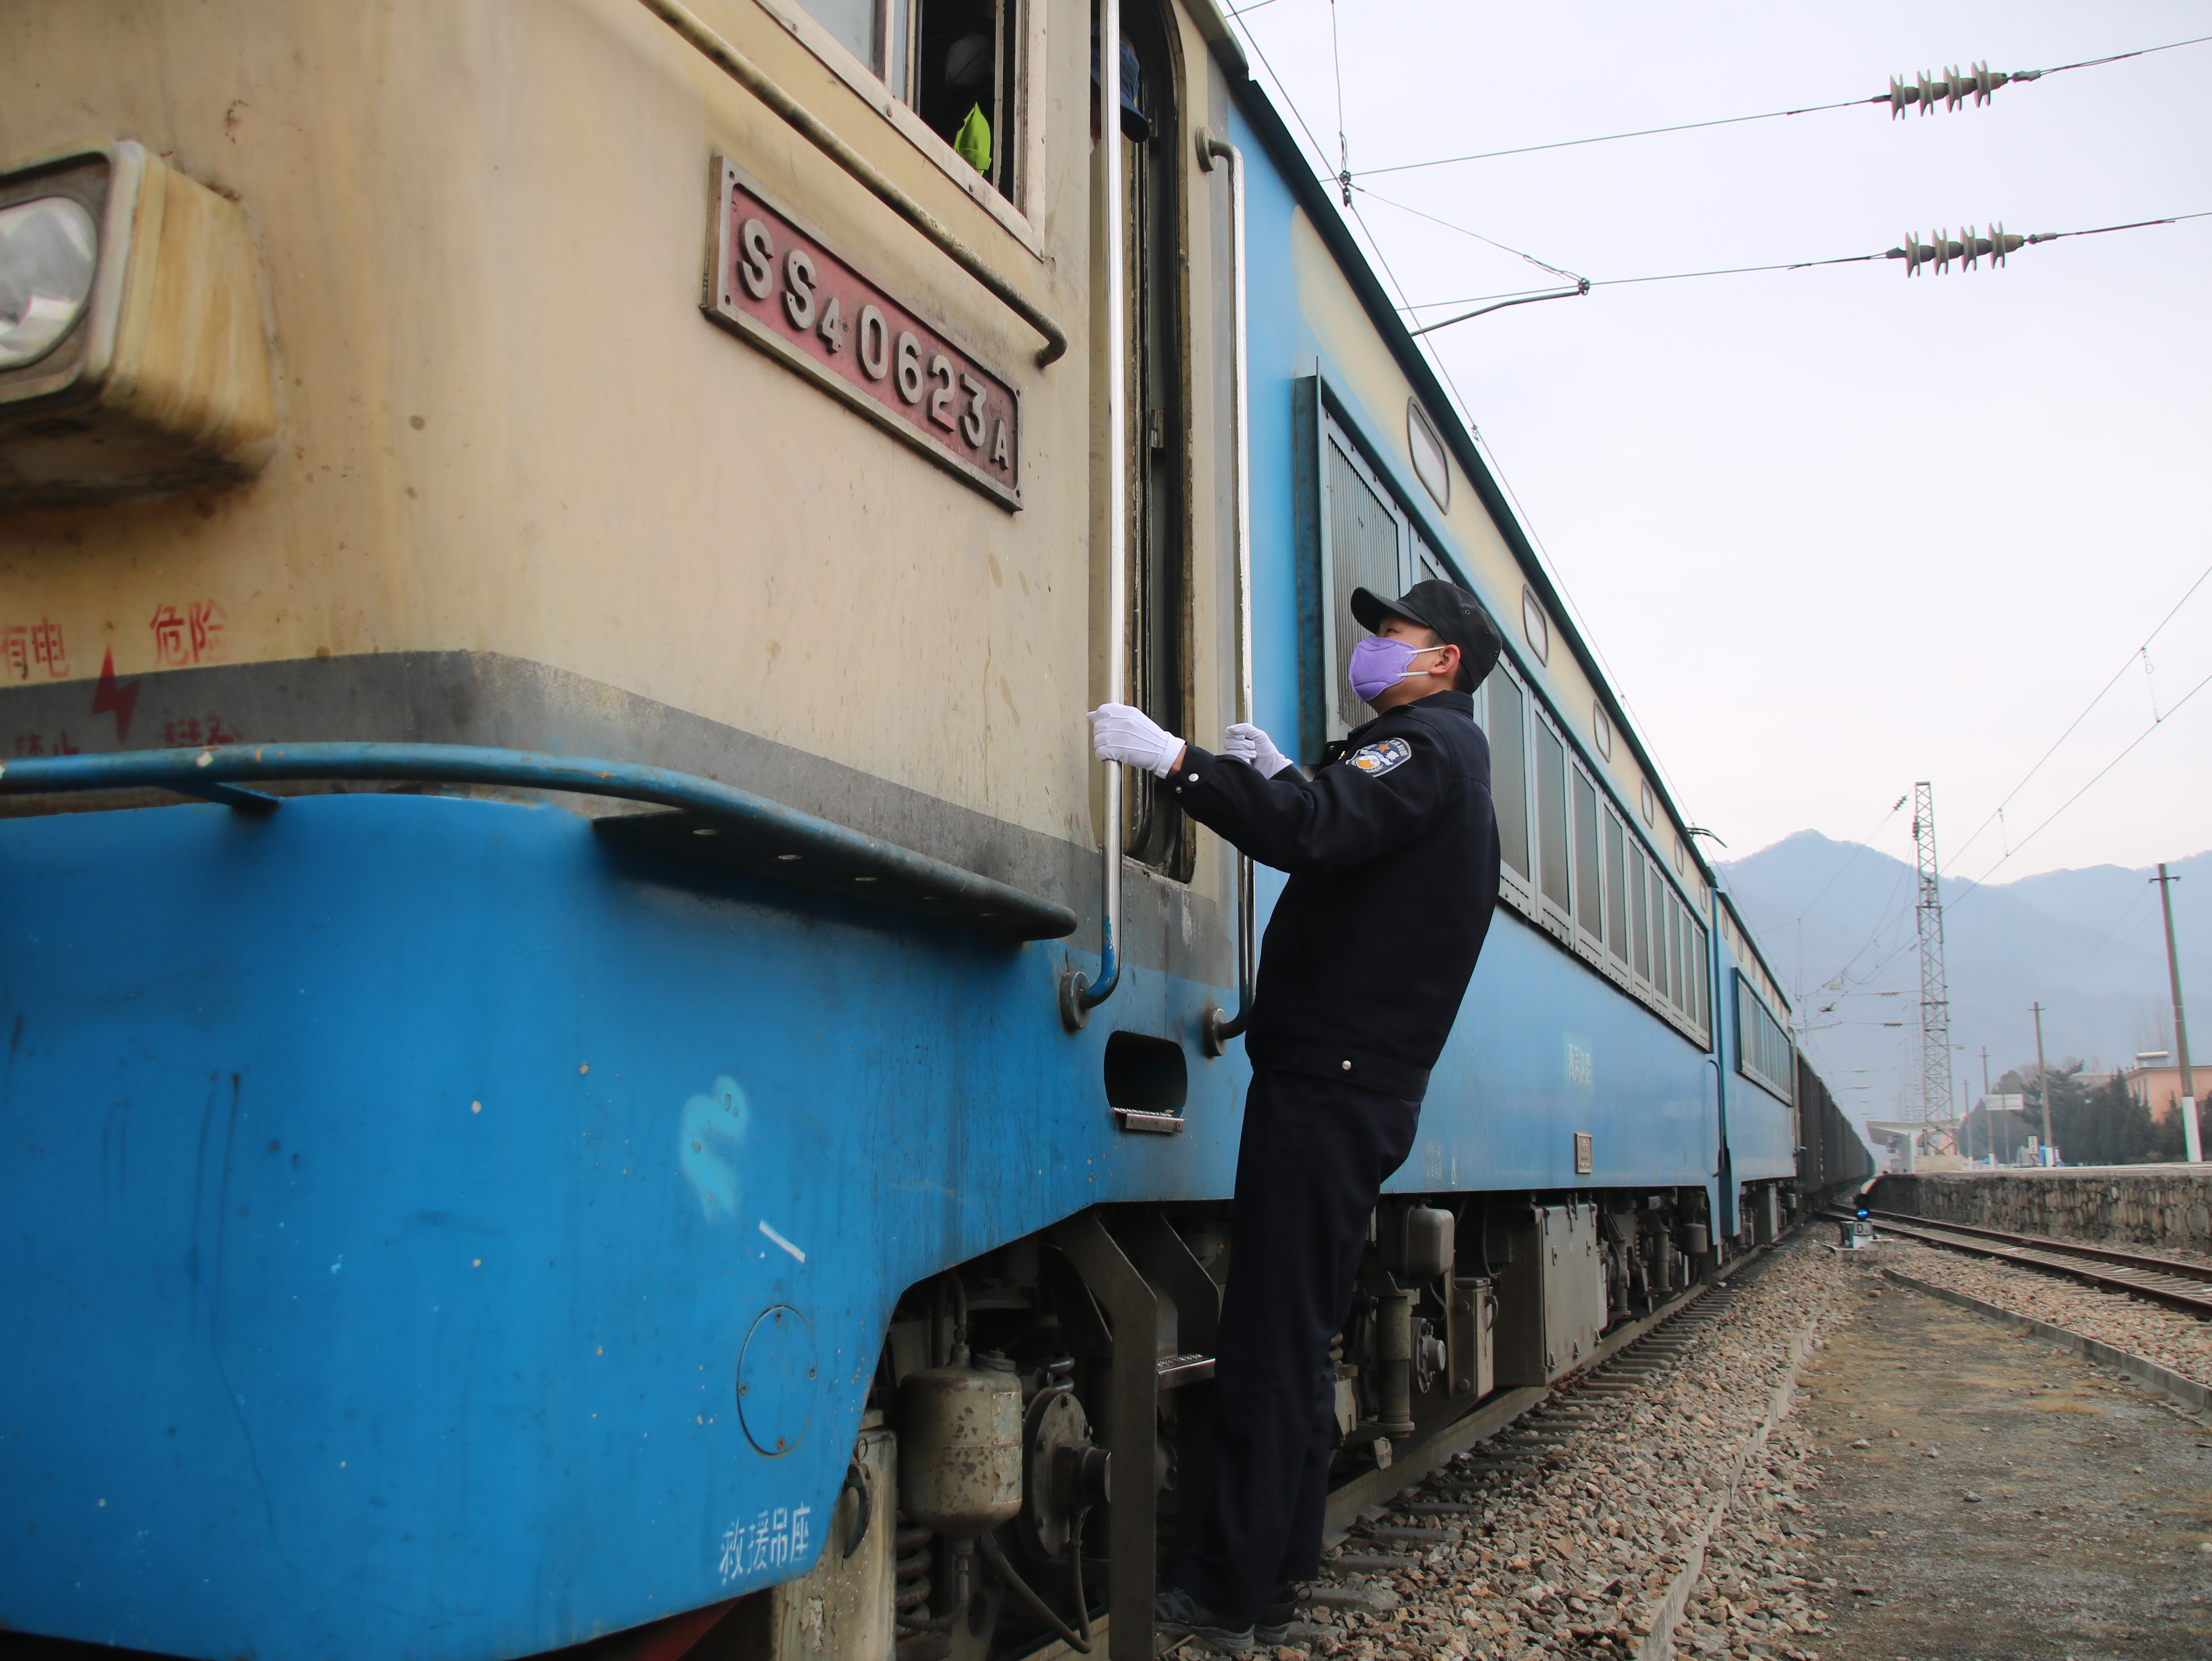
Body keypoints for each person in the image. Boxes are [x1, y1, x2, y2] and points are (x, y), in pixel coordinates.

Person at [1086, 580, 1504, 1655]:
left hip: (1330, 1084)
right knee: (1296, 1336)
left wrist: (1179, 762)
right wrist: (1292, 776)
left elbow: (1316, 832)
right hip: (1351, 1084)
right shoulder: (1443, 764)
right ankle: (1277, 1575)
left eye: (1394, 634)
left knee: (1271, 1340)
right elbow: (1346, 830)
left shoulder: (1428, 749)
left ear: (1444, 659)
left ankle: (1230, 1590)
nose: (1373, 648)